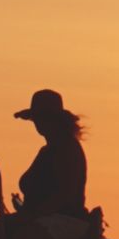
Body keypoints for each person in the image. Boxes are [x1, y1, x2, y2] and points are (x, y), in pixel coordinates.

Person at [14, 89, 89, 220]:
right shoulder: (48, 150)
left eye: (43, 117)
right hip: (42, 221)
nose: (38, 122)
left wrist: (34, 216)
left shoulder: (66, 148)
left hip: (61, 223)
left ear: (55, 119)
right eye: (36, 118)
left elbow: (65, 194)